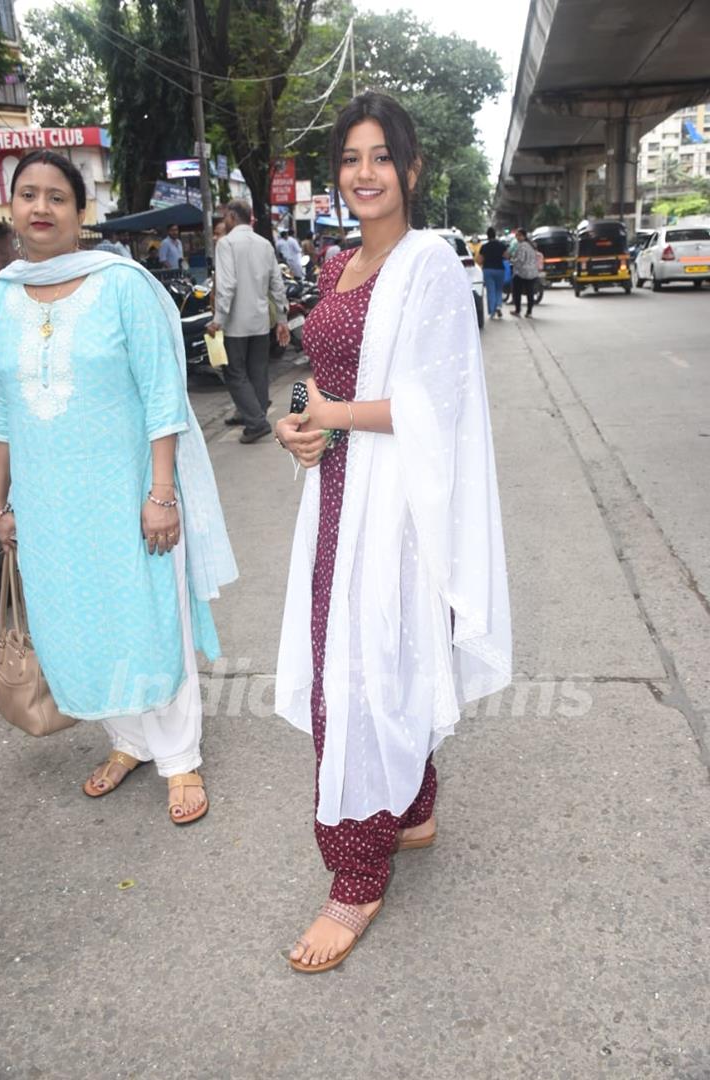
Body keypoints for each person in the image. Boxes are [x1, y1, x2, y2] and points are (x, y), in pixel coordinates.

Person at [274, 92, 511, 973]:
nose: (364, 173)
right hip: (337, 495)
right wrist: (305, 427)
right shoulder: (339, 266)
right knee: (375, 661)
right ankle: (412, 811)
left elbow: (432, 403)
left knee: (363, 676)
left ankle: (354, 876)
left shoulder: (432, 265)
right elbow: (318, 382)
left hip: (398, 509)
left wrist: (331, 411)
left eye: (382, 156)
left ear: (411, 170)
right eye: (349, 158)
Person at [0, 150, 237, 824]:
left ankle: (179, 756)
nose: (40, 208)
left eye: (56, 197)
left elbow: (163, 397)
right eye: (27, 195)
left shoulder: (121, 285)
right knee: (80, 625)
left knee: (151, 619)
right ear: (12, 208)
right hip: (48, 505)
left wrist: (162, 495)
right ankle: (128, 740)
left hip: (129, 496)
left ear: (79, 212)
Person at [206, 199, 290, 444]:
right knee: (258, 371)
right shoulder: (264, 244)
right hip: (260, 320)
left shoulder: (227, 244)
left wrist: (218, 319)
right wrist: (282, 319)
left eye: (225, 217)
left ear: (232, 216)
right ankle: (254, 413)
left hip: (235, 323)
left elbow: (227, 284)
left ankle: (255, 421)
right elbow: (277, 283)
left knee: (234, 373)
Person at [478, 226, 507, 320]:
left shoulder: (484, 246)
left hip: (488, 270)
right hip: (500, 269)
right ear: (495, 235)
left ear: (487, 236)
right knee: (499, 289)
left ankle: (492, 311)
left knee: (491, 290)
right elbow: (507, 256)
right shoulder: (501, 245)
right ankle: (498, 305)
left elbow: (480, 260)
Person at [510, 227, 539, 318]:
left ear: (523, 236)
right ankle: (529, 312)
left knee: (517, 291)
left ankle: (518, 310)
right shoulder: (532, 245)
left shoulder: (522, 246)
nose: (517, 238)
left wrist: (512, 261)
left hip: (522, 272)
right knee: (530, 292)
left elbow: (520, 260)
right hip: (532, 272)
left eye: (518, 236)